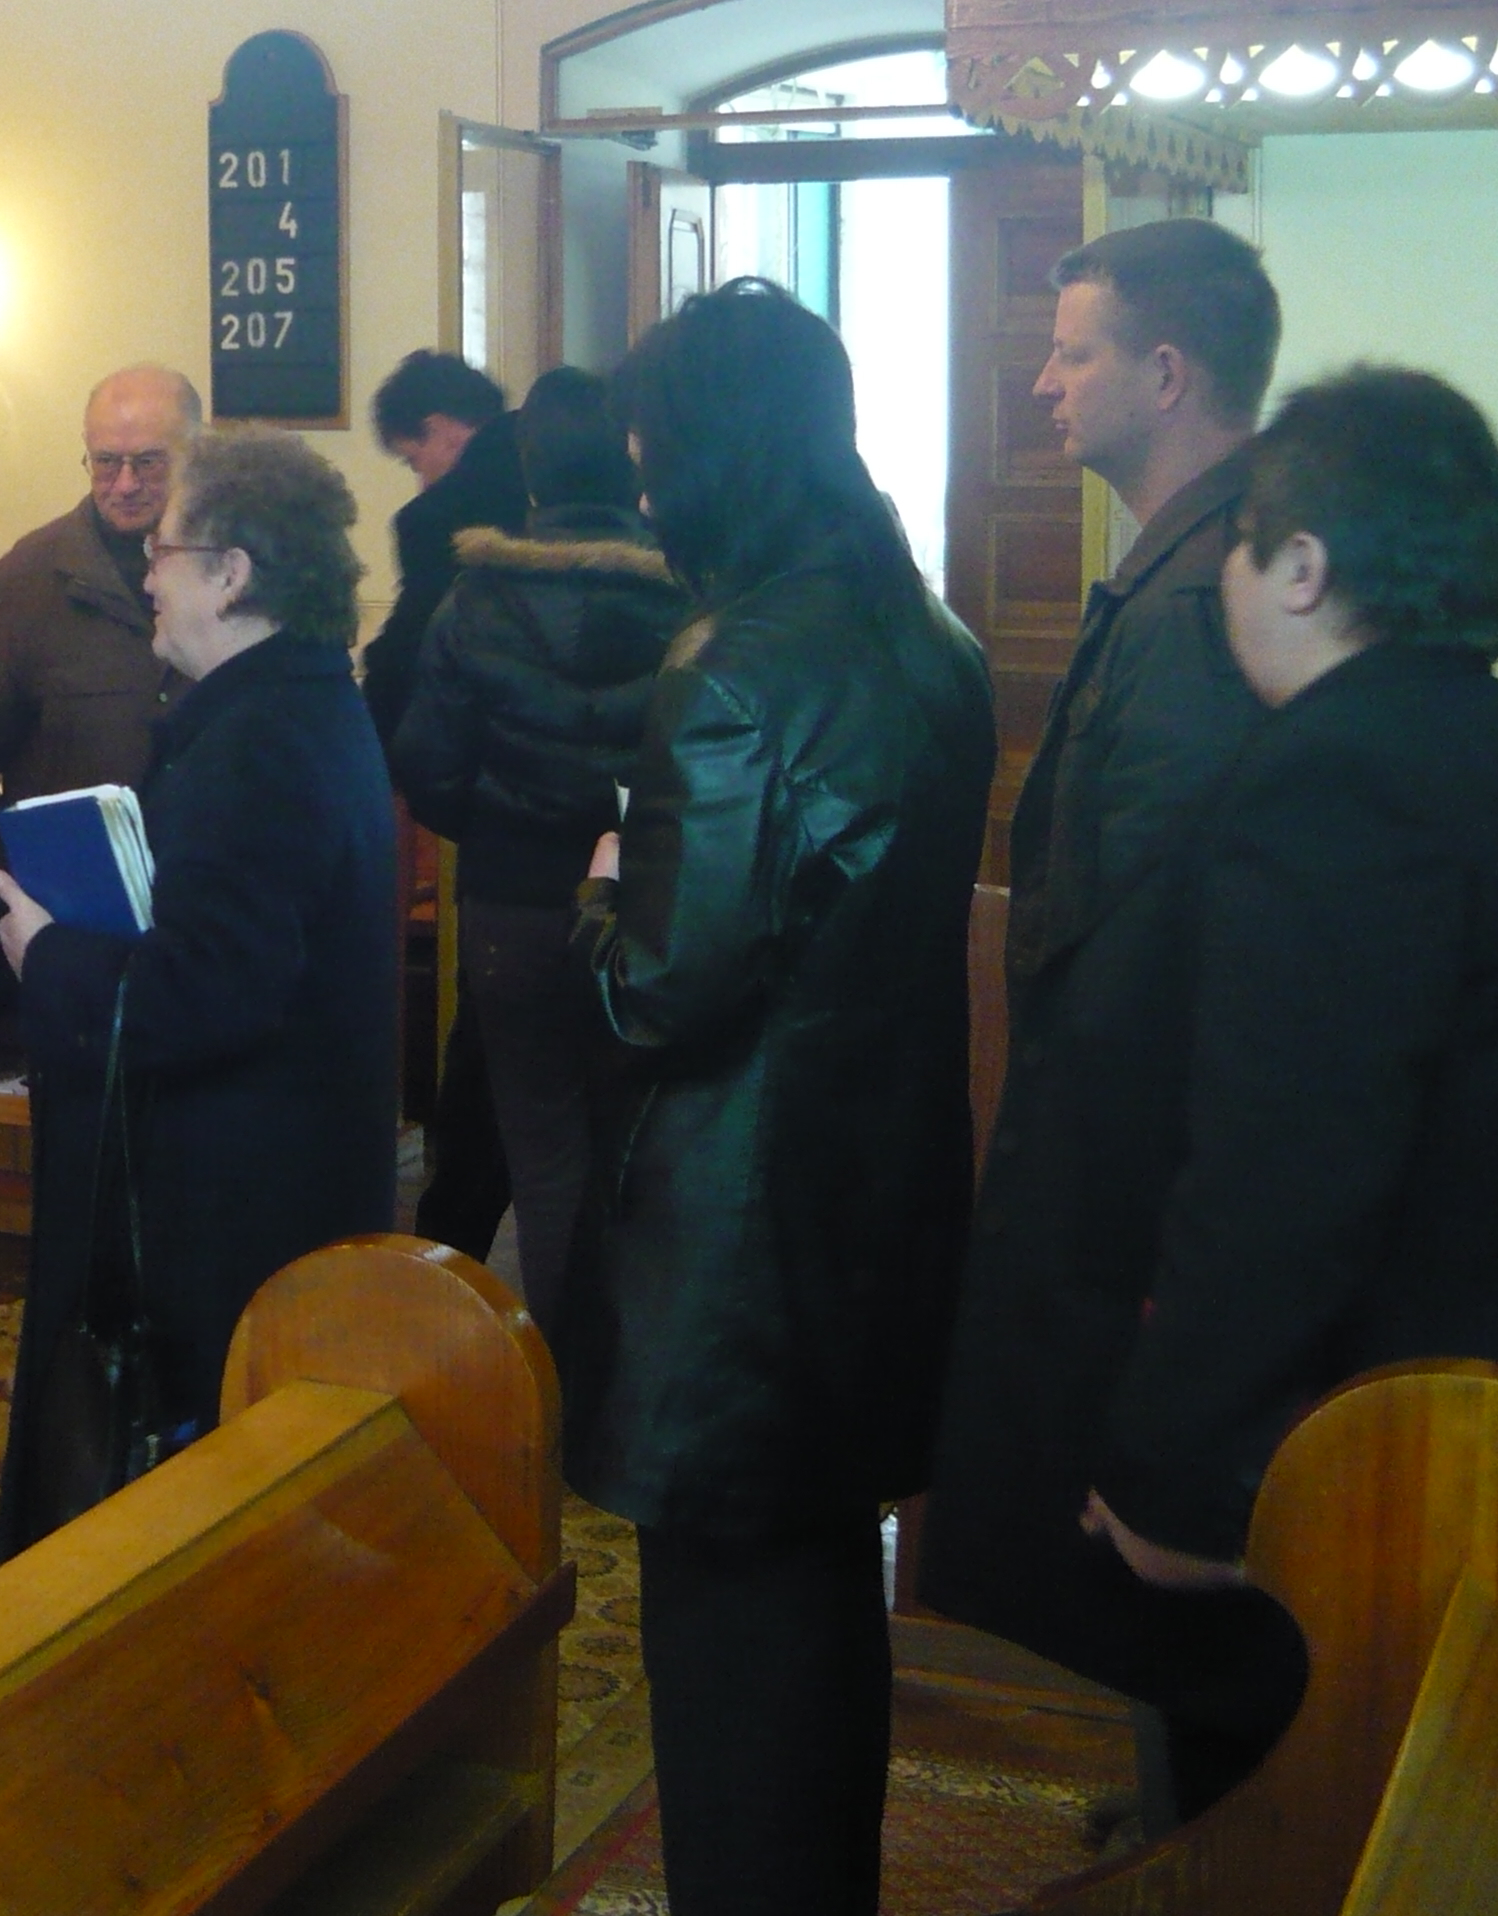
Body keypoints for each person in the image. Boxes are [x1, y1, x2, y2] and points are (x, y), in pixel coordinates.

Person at [1073, 368, 1498, 1804]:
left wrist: (1178, 1485)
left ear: (1301, 567)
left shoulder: (1337, 775)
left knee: (1277, 1828)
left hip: (1347, 1464)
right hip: (1472, 1435)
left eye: (1240, 547)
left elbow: (1282, 1174)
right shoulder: (1496, 747)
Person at [567, 282, 997, 1916]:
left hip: (736, 1238)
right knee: (819, 1606)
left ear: (705, 456)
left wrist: (601, 889)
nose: (644, 486)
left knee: (730, 1654)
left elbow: (665, 988)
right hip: (871, 1187)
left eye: (652, 453)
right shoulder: (929, 634)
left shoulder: (735, 665)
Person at [922, 218, 1283, 1821]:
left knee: (1156, 1585)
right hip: (1129, 1170)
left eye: (1074, 352)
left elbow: (1155, 941)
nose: (1045, 383)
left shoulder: (1202, 594)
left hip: (1141, 1186)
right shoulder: (1190, 557)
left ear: (1168, 370)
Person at [0, 425, 400, 1561]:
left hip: (226, 1203)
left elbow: (206, 992)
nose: (147, 572)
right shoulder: (294, 707)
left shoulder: (258, 742)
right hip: (268, 1172)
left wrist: (49, 955)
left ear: (231, 573)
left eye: (165, 549)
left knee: (195, 1529)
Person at [389, 367, 685, 1325]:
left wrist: (499, 822)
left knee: (546, 1154)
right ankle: (628, 1374)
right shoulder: (690, 594)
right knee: (646, 1149)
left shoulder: (476, 598)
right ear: (633, 458)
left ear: (528, 470)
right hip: (652, 899)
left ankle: (564, 1374)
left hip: (510, 907)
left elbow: (427, 762)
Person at [0, 366, 199, 800]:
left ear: (196, 453)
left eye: (148, 463)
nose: (125, 485)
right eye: (106, 462)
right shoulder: (20, 583)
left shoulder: (247, 571)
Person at [359, 347, 528, 744]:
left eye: (413, 460)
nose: (421, 482)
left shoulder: (433, 520)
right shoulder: (555, 477)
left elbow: (411, 651)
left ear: (438, 429)